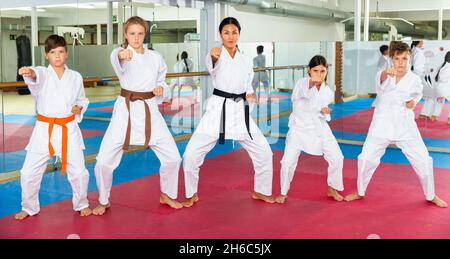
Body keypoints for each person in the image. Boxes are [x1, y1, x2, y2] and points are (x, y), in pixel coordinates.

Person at [93, 16, 183, 215]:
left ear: (145, 34)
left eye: (140, 33)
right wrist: (121, 54)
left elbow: (162, 81)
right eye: (132, 33)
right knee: (102, 162)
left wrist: (161, 88)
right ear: (125, 35)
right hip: (125, 113)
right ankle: (103, 199)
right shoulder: (123, 55)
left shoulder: (155, 57)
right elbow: (116, 57)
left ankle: (166, 194)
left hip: (150, 110)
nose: (136, 37)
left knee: (173, 158)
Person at [181, 17, 275, 207]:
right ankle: (191, 193)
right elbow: (212, 65)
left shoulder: (245, 60)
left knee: (265, 152)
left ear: (239, 34)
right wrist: (215, 56)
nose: (231, 36)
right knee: (191, 154)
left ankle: (261, 190)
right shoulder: (214, 54)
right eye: (226, 32)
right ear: (220, 35)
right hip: (218, 110)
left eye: (234, 32)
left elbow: (248, 86)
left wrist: (250, 95)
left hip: (240, 111)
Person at [344, 41, 448, 208]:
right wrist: (386, 73)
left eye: (404, 58)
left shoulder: (414, 80)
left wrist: (412, 103)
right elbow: (379, 84)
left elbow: (416, 95)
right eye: (397, 59)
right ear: (392, 59)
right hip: (381, 125)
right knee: (365, 159)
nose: (401, 62)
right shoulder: (383, 73)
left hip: (404, 126)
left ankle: (431, 195)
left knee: (424, 160)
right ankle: (360, 191)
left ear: (410, 59)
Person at [15, 34, 91, 220]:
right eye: (53, 52)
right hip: (44, 130)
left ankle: (81, 203)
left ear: (66, 53)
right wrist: (29, 71)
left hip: (68, 128)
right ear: (46, 55)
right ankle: (29, 207)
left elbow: (82, 98)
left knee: (79, 172)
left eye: (61, 52)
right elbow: (36, 74)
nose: (57, 56)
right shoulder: (43, 73)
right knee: (28, 172)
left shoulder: (75, 77)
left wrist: (78, 107)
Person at [275, 55, 344, 204]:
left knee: (338, 157)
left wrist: (324, 111)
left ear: (327, 71)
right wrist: (312, 84)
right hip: (299, 128)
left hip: (319, 127)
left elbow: (321, 107)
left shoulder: (327, 91)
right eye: (316, 70)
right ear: (309, 70)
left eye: (323, 71)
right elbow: (300, 95)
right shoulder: (301, 83)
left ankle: (332, 187)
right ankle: (283, 192)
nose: (319, 74)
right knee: (287, 162)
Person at [429, 51, 450, 123]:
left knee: (439, 102)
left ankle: (434, 116)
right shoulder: (448, 67)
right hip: (444, 89)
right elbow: (442, 78)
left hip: (437, 88)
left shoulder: (442, 65)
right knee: (440, 101)